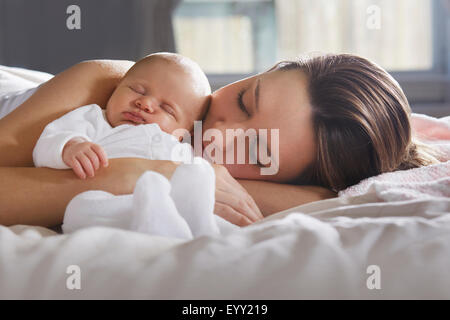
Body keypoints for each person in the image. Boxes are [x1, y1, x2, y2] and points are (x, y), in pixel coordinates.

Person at [3, 53, 438, 228]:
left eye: (257, 148)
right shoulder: (117, 88)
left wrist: (181, 174)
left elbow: (320, 196)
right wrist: (142, 173)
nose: (218, 133)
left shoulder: (231, 175)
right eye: (246, 100)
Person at [33, 52, 211, 179]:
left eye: (167, 109)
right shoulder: (94, 120)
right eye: (136, 90)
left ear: (187, 133)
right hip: (95, 201)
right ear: (116, 88)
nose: (145, 103)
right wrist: (69, 147)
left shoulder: (182, 152)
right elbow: (47, 141)